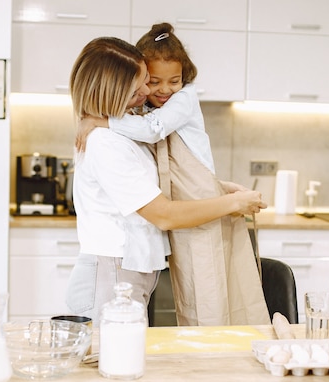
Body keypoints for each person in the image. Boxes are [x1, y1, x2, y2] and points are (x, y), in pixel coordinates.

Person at [76, 24, 271, 326]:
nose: (149, 93)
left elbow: (163, 183)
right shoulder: (105, 141)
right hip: (113, 272)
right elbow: (163, 214)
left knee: (122, 361)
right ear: (114, 88)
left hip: (127, 270)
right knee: (111, 364)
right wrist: (233, 204)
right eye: (142, 84)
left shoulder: (127, 133)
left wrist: (217, 188)